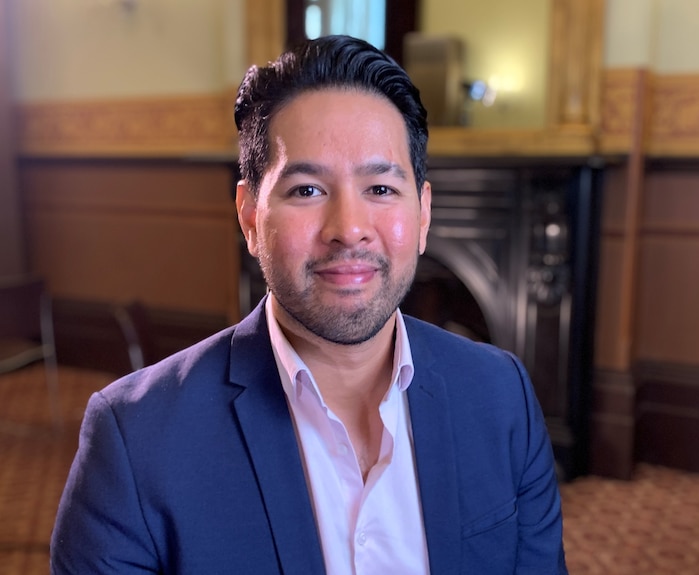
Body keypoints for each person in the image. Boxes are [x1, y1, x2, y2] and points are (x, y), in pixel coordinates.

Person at [50, 35, 567, 574]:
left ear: (423, 213)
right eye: (307, 191)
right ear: (250, 217)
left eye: (382, 189)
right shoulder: (137, 439)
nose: (348, 230)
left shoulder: (500, 394)